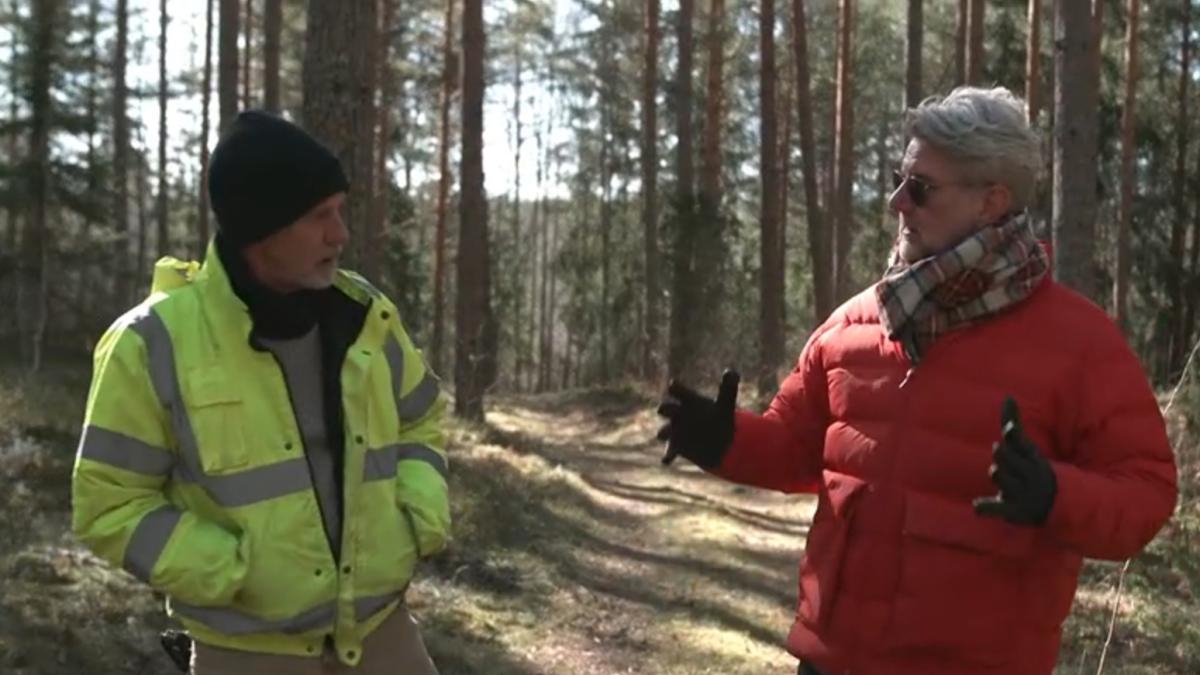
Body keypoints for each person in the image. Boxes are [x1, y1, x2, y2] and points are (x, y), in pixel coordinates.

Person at [656, 87, 1177, 675]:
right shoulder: (853, 325)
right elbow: (800, 451)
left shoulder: (1081, 345)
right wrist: (726, 441)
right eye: (897, 177)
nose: (897, 201)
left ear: (991, 202)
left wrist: (1056, 495)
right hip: (832, 662)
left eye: (920, 187)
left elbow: (1147, 493)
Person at [71, 110, 448, 674]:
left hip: (382, 633)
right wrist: (234, 569)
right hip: (247, 651)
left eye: (340, 212)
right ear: (260, 229)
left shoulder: (364, 315)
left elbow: (420, 419)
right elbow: (110, 503)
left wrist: (416, 513)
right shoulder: (151, 344)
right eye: (320, 216)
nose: (339, 234)